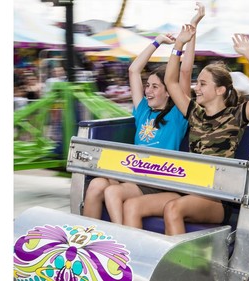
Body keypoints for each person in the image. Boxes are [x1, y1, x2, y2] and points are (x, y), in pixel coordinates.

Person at [123, 25, 249, 235]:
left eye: (203, 84)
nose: (197, 88)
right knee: (133, 206)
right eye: (198, 83)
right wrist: (178, 45)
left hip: (216, 198)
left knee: (174, 209)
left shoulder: (237, 116)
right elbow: (171, 80)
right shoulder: (194, 112)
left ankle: (180, 268)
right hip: (188, 189)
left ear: (220, 90)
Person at [82, 2, 205, 223]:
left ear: (170, 93)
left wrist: (190, 32)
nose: (148, 90)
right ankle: (88, 240)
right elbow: (133, 69)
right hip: (132, 175)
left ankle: (121, 241)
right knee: (97, 184)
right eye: (147, 86)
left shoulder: (178, 113)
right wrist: (157, 41)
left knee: (111, 191)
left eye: (155, 87)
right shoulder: (143, 111)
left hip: (157, 181)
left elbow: (185, 71)